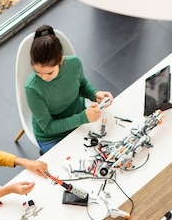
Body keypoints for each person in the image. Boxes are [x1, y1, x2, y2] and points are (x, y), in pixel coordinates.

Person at [25, 25, 114, 154]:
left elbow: (81, 85)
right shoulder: (32, 88)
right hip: (52, 137)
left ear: (61, 60)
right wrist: (83, 117)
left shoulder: (74, 63)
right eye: (37, 72)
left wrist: (95, 93)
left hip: (79, 121)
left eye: (49, 73)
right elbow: (48, 127)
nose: (43, 77)